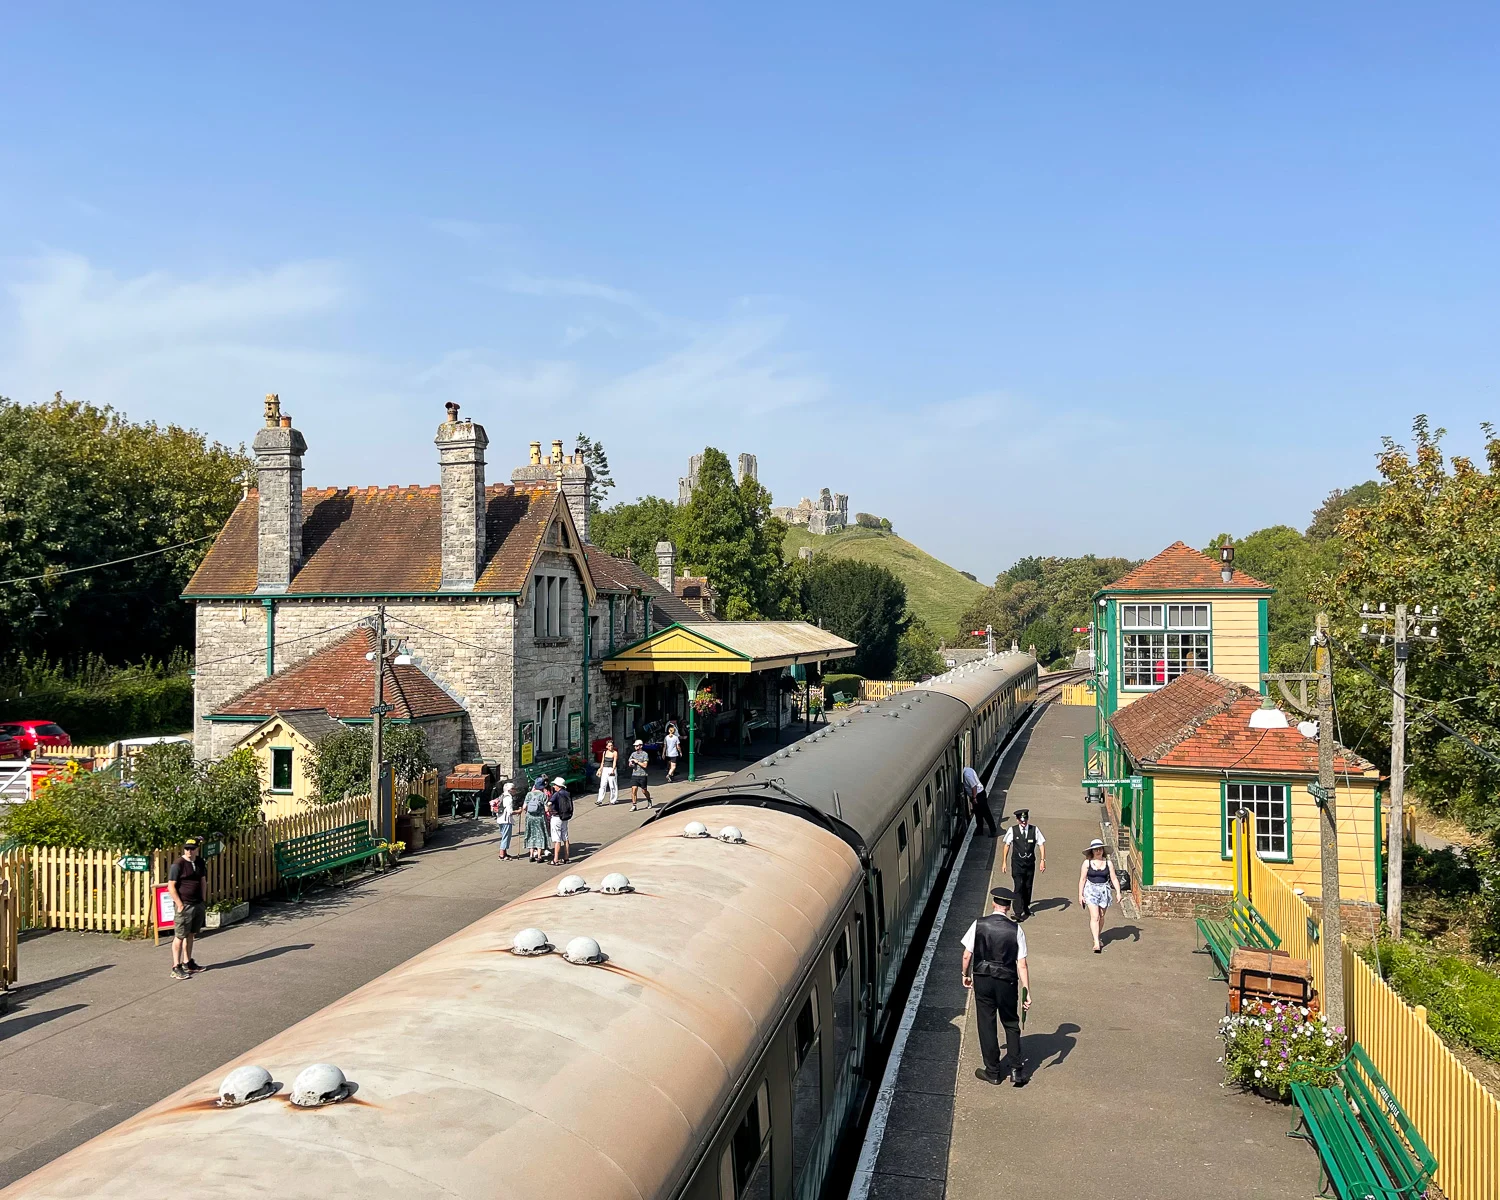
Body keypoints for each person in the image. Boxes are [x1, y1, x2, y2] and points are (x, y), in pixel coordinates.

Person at [961, 885, 1032, 1086]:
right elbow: (1022, 964)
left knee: (986, 1023)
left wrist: (965, 974)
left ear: (994, 903)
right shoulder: (1016, 930)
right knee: (1011, 1022)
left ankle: (992, 1071)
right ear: (1008, 907)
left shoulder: (978, 924)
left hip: (983, 978)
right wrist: (1027, 991)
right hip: (1007, 981)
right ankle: (1016, 1071)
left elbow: (967, 955)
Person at [167, 838, 208, 979]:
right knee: (180, 936)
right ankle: (175, 966)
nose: (189, 851)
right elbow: (171, 886)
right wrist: (179, 904)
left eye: (192, 848)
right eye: (187, 848)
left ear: (197, 849)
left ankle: (187, 962)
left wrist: (203, 899)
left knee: (191, 934)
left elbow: (203, 881)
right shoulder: (178, 864)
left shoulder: (200, 862)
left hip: (197, 904)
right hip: (184, 905)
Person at [1000, 808, 1046, 920]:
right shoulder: (1012, 830)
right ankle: (1017, 911)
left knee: (1028, 886)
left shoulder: (1034, 830)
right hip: (1017, 863)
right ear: (1017, 820)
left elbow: (1041, 844)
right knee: (1019, 886)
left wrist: (1042, 860)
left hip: (1030, 863)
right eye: (1021, 820)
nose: (1024, 822)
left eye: (1025, 820)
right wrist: (1004, 862)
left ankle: (1026, 907)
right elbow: (1007, 845)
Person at [1079, 838, 1122, 953]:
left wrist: (1118, 892)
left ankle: (1097, 935)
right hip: (1090, 890)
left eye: (1100, 849)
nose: (1098, 851)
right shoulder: (1087, 863)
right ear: (1092, 851)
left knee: (1101, 916)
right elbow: (1082, 879)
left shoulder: (1108, 863)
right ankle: (1096, 942)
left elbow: (1113, 878)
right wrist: (1080, 895)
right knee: (1095, 916)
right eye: (1096, 849)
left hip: (1104, 890)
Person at [962, 763, 997, 837]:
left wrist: (974, 798)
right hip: (979, 794)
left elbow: (974, 786)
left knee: (986, 813)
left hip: (978, 795)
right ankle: (979, 830)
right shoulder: (969, 769)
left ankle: (993, 830)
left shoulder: (966, 775)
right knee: (978, 814)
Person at [523, 776, 549, 862]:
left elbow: (524, 807)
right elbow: (546, 809)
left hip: (529, 818)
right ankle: (539, 856)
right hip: (539, 818)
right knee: (540, 835)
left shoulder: (529, 794)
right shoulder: (543, 796)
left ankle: (531, 855)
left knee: (530, 834)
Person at [550, 775, 574, 865]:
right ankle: (566, 858)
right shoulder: (567, 793)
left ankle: (555, 859)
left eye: (555, 785)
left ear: (558, 786)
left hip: (556, 817)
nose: (553, 786)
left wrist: (547, 808)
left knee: (557, 839)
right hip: (565, 817)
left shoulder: (556, 794)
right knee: (565, 838)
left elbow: (549, 803)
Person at [492, 781, 516, 860]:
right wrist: (518, 812)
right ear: (509, 790)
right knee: (506, 837)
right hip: (506, 820)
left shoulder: (502, 796)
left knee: (504, 836)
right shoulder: (508, 798)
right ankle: (502, 855)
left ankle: (504, 853)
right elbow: (510, 811)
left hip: (500, 818)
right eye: (513, 789)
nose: (515, 790)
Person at [628, 739, 652, 810]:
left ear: (641, 746)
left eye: (637, 746)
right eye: (635, 746)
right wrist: (631, 763)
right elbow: (630, 763)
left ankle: (649, 800)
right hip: (635, 775)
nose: (635, 747)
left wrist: (637, 761)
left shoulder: (645, 754)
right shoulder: (633, 754)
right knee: (634, 789)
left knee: (644, 790)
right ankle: (634, 805)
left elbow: (645, 765)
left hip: (642, 775)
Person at [596, 739, 619, 805]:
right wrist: (600, 769)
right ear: (606, 746)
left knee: (612, 785)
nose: (611, 747)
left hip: (611, 768)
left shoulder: (615, 752)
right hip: (605, 769)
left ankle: (613, 800)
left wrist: (613, 770)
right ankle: (599, 800)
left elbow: (614, 762)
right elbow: (602, 762)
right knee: (603, 784)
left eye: (611, 745)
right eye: (609, 746)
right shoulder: (605, 752)